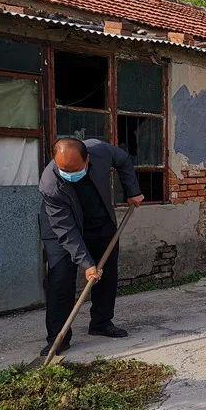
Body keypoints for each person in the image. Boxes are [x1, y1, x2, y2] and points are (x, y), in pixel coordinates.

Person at [38, 138, 144, 356]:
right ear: (55, 162)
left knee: (107, 272)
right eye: (65, 171)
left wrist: (132, 190)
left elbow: (123, 160)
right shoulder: (50, 184)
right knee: (60, 278)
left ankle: (101, 323)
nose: (70, 175)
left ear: (88, 159)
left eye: (76, 170)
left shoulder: (100, 151)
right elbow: (66, 231)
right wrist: (86, 263)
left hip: (98, 220)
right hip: (61, 229)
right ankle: (58, 338)